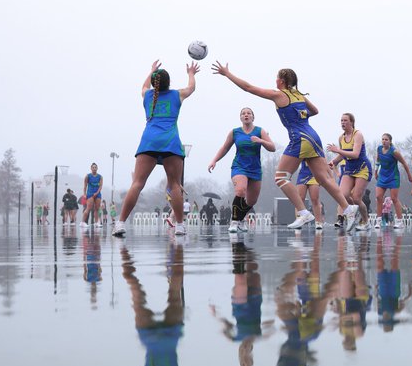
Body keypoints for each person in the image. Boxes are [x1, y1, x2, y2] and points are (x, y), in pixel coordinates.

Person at [212, 62, 359, 231]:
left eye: (277, 78)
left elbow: (248, 88)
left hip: (300, 137)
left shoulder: (279, 95)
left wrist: (227, 74)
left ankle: (303, 212)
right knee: (323, 179)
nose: (275, 80)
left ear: (281, 81)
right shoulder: (299, 95)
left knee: (281, 177)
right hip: (313, 136)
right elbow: (315, 111)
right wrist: (299, 116)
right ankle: (348, 208)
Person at [122, 242, 202, 366]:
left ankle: (178, 249)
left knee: (174, 292)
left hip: (171, 336)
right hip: (149, 338)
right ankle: (124, 253)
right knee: (135, 290)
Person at [114, 61, 198, 237]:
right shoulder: (177, 95)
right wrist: (191, 73)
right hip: (170, 142)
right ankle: (180, 226)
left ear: (154, 83)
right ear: (169, 82)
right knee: (174, 185)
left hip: (149, 142)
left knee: (137, 184)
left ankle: (120, 223)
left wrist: (151, 71)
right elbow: (191, 88)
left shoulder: (147, 95)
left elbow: (143, 86)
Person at [208, 106, 276, 234]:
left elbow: (272, 147)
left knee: (251, 201)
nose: (246, 115)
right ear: (240, 117)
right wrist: (214, 160)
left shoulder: (260, 131)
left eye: (249, 113)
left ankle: (240, 220)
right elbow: (224, 148)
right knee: (240, 190)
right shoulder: (235, 132)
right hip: (239, 166)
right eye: (243, 113)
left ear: (253, 117)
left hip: (255, 169)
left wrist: (261, 140)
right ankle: (234, 222)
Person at [326, 112, 372, 228]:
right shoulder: (341, 138)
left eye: (345, 120)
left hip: (362, 168)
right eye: (341, 121)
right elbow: (342, 155)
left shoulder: (358, 134)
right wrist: (334, 162)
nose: (343, 123)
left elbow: (355, 154)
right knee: (342, 195)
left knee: (356, 198)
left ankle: (366, 221)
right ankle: (353, 213)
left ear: (351, 122)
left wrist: (337, 150)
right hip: (349, 169)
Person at [374, 133, 412, 229]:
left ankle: (400, 221)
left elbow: (404, 163)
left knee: (394, 198)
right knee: (379, 197)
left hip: (393, 177)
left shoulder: (394, 152)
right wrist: (375, 171)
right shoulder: (379, 149)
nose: (384, 141)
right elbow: (378, 160)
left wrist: (409, 175)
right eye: (383, 139)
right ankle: (378, 221)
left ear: (390, 141)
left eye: (386, 139)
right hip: (382, 176)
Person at [295, 160, 326, 230]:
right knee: (299, 198)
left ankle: (318, 222)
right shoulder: (301, 149)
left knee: (315, 199)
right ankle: (298, 220)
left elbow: (322, 160)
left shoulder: (317, 149)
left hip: (314, 174)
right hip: (303, 174)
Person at [81, 163, 103, 229]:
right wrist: (84, 194)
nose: (94, 168)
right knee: (88, 208)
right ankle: (82, 222)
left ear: (97, 168)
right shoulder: (88, 176)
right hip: (90, 193)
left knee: (97, 208)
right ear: (91, 168)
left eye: (95, 167)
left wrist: (97, 193)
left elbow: (100, 186)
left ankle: (97, 222)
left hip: (97, 193)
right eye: (93, 167)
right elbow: (85, 186)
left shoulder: (100, 177)